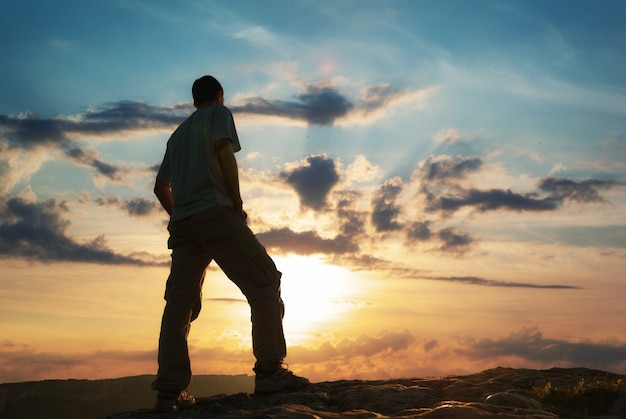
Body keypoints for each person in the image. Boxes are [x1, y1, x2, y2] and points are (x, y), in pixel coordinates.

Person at [151, 75, 309, 412]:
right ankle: (269, 372)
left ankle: (168, 393)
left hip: (184, 227)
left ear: (194, 100)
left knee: (178, 307)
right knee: (265, 282)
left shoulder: (176, 135)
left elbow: (160, 186)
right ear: (219, 96)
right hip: (216, 214)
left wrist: (181, 214)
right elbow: (223, 149)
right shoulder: (218, 115)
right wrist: (236, 203)